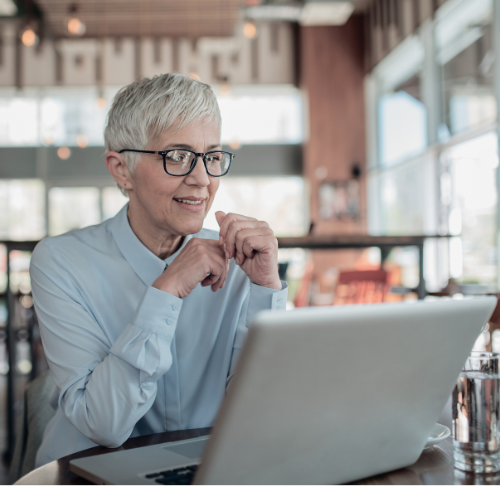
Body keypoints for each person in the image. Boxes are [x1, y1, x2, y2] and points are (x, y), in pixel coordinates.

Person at [30, 73, 288, 468]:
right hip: (87, 477)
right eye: (177, 156)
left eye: (212, 157)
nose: (202, 179)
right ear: (121, 170)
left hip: (206, 473)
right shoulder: (60, 263)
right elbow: (105, 424)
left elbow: (262, 412)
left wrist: (266, 290)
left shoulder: (239, 260)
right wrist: (165, 291)